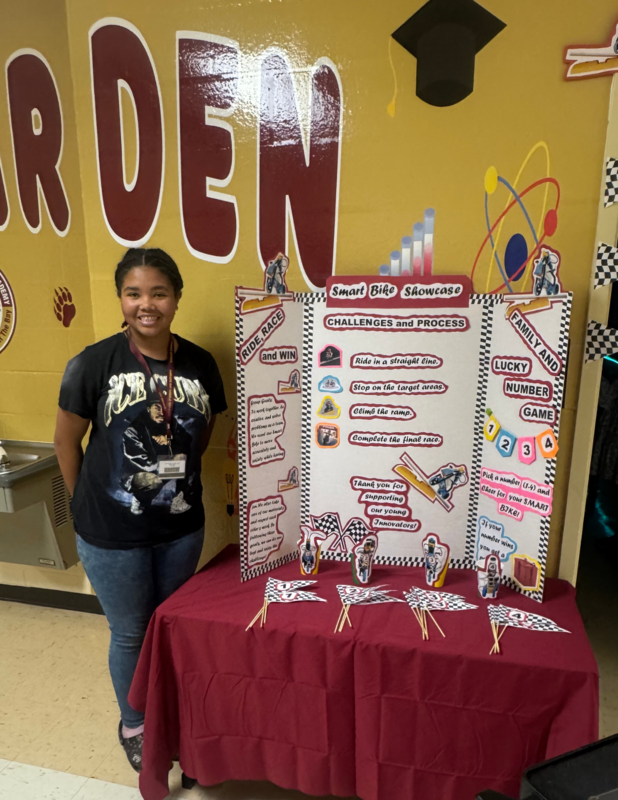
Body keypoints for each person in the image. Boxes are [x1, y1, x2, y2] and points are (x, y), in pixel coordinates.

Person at [54, 248, 227, 772]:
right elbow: (66, 442)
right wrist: (89, 504)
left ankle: (174, 717)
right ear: (121, 299)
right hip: (110, 533)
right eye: (134, 293)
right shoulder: (93, 362)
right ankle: (136, 723)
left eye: (158, 293)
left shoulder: (198, 362)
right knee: (131, 631)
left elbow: (205, 432)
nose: (146, 304)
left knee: (170, 625)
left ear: (176, 297)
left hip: (180, 527)